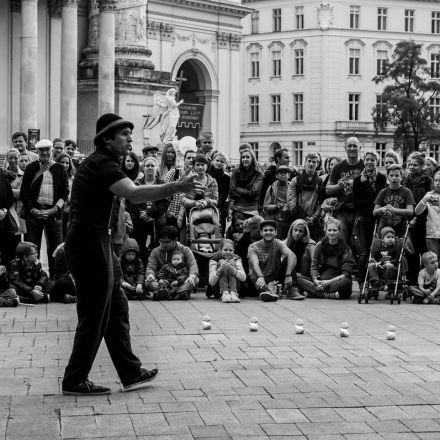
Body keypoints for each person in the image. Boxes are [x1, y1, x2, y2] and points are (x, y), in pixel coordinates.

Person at [61, 113, 204, 396]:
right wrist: (175, 186)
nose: (130, 138)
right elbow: (134, 194)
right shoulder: (102, 164)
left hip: (99, 241)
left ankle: (129, 371)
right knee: (94, 314)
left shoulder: (106, 162)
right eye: (124, 134)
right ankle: (75, 379)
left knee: (116, 307)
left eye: (130, 132)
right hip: (90, 244)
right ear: (106, 139)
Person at [20, 139, 69, 278]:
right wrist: (32, 210)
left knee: (56, 249)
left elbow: (65, 192)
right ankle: (35, 277)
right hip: (34, 214)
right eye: (42, 150)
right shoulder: (30, 168)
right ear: (37, 151)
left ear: (52, 150)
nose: (45, 153)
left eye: (47, 149)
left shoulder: (59, 168)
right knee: (31, 248)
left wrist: (55, 209)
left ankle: (55, 278)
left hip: (54, 214)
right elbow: (24, 193)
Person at [352, 149, 387, 291]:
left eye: (372, 159)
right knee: (363, 252)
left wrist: (366, 185)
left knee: (375, 251)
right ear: (363, 161)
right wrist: (371, 201)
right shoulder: (357, 180)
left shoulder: (382, 179)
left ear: (377, 161)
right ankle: (362, 281)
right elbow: (356, 203)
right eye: (367, 159)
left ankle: (375, 280)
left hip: (377, 220)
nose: (369, 162)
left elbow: (379, 199)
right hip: (362, 219)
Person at [127, 157, 169, 262]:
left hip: (157, 222)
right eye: (147, 165)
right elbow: (132, 201)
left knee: (156, 248)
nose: (150, 168)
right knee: (140, 248)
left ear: (156, 168)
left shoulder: (162, 183)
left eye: (152, 165)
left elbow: (164, 203)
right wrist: (141, 214)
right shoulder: (137, 184)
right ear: (143, 168)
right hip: (139, 221)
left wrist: (149, 213)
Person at [325, 137, 364, 246]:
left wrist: (357, 186)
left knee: (360, 245)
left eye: (355, 146)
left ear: (359, 147)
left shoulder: (365, 166)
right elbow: (328, 190)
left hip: (360, 210)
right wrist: (338, 186)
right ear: (345, 148)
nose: (352, 148)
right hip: (343, 210)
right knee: (342, 243)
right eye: (349, 146)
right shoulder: (338, 167)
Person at [145, 226, 199, 301]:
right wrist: (150, 275)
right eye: (161, 241)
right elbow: (150, 267)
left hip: (180, 281)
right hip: (162, 282)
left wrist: (192, 276)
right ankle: (179, 292)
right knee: (148, 282)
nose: (164, 244)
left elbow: (192, 264)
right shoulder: (155, 251)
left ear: (176, 240)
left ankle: (165, 293)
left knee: (195, 280)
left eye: (167, 242)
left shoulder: (185, 250)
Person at [247, 219, 296, 302]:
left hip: (274, 276)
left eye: (271, 230)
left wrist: (288, 275)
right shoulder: (253, 247)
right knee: (252, 277)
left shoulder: (278, 243)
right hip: (258, 276)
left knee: (289, 259)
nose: (268, 232)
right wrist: (261, 277)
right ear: (261, 233)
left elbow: (292, 256)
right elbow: (255, 264)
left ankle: (293, 290)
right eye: (265, 230)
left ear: (275, 232)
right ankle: (268, 292)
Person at [310, 217, 356, 299]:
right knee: (298, 278)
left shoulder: (346, 249)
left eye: (334, 230)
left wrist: (328, 282)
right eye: (329, 230)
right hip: (322, 279)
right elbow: (314, 267)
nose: (331, 233)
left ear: (339, 232)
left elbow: (345, 274)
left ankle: (316, 293)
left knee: (346, 283)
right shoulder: (319, 246)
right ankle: (328, 295)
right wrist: (316, 280)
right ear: (326, 231)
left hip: (337, 280)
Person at [404, 152, 432, 283]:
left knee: (424, 251)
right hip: (409, 220)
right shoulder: (407, 179)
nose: (411, 167)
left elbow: (428, 202)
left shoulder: (428, 180)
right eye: (410, 164)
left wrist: (417, 218)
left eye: (414, 165)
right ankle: (412, 280)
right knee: (411, 252)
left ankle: (426, 279)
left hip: (423, 221)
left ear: (422, 166)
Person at [287, 152, 324, 241]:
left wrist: (314, 217)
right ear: (305, 162)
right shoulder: (295, 180)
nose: (311, 164)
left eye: (314, 162)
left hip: (313, 221)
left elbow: (321, 202)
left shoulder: (320, 181)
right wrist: (304, 217)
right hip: (297, 219)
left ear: (317, 164)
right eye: (309, 161)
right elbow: (291, 201)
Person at [177, 154, 218, 230]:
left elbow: (215, 201)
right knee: (185, 240)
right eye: (197, 165)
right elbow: (182, 199)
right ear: (193, 166)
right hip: (187, 215)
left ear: (207, 165)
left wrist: (206, 202)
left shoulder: (213, 181)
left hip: (206, 217)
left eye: (202, 164)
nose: (200, 167)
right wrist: (194, 203)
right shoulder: (188, 180)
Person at [373, 164, 415, 238]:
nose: (394, 178)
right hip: (385, 228)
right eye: (391, 175)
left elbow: (410, 211)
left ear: (401, 177)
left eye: (397, 175)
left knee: (402, 248)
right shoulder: (383, 192)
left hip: (401, 228)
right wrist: (382, 209)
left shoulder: (407, 192)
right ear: (387, 177)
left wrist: (394, 210)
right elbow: (374, 212)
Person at [283, 219, 316, 299]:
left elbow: (315, 265)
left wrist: (315, 279)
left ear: (305, 233)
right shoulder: (285, 243)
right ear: (291, 230)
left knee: (304, 258)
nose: (297, 233)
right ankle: (305, 291)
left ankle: (303, 290)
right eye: (295, 230)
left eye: (300, 231)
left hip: (306, 277)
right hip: (290, 276)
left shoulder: (310, 244)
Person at [208, 238, 246, 303]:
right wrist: (219, 270)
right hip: (218, 290)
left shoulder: (236, 259)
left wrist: (232, 269)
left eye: (230, 250)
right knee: (221, 261)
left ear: (234, 250)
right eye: (225, 250)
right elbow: (211, 282)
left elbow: (243, 278)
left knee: (231, 261)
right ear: (220, 250)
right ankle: (224, 293)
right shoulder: (214, 260)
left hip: (236, 289)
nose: (228, 252)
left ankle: (233, 292)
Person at [230, 148, 263, 218]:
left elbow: (253, 193)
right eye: (243, 157)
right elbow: (231, 192)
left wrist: (237, 188)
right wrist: (247, 194)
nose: (245, 159)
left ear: (252, 158)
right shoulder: (236, 171)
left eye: (247, 157)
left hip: (252, 210)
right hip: (237, 208)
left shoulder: (258, 173)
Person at [367, 226, 400, 296]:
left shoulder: (395, 249)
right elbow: (375, 257)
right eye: (388, 237)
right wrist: (375, 262)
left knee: (388, 266)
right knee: (371, 265)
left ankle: (382, 282)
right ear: (383, 239)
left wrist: (390, 262)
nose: (391, 239)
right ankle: (375, 282)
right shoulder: (380, 248)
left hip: (390, 266)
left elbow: (397, 260)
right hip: (380, 266)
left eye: (392, 237)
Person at [415, 170, 440, 256]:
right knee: (434, 261)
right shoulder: (429, 195)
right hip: (431, 235)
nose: (437, 183)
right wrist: (424, 200)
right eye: (436, 180)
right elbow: (417, 212)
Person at [263, 165, 291, 239]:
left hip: (288, 221)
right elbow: (266, 206)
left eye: (286, 172)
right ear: (276, 175)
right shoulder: (272, 188)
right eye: (280, 172)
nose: (283, 174)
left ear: (289, 175)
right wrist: (277, 207)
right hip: (275, 221)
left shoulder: (292, 188)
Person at [208, 152, 230, 235]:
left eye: (222, 161)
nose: (219, 163)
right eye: (217, 160)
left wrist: (218, 203)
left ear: (224, 163)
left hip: (220, 205)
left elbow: (225, 193)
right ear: (213, 160)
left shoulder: (226, 177)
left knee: (220, 226)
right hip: (207, 201)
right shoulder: (207, 173)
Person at [56, 152, 76, 238]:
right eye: (62, 162)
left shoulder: (73, 178)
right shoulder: (53, 176)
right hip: (57, 210)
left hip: (69, 210)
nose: (65, 165)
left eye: (67, 163)